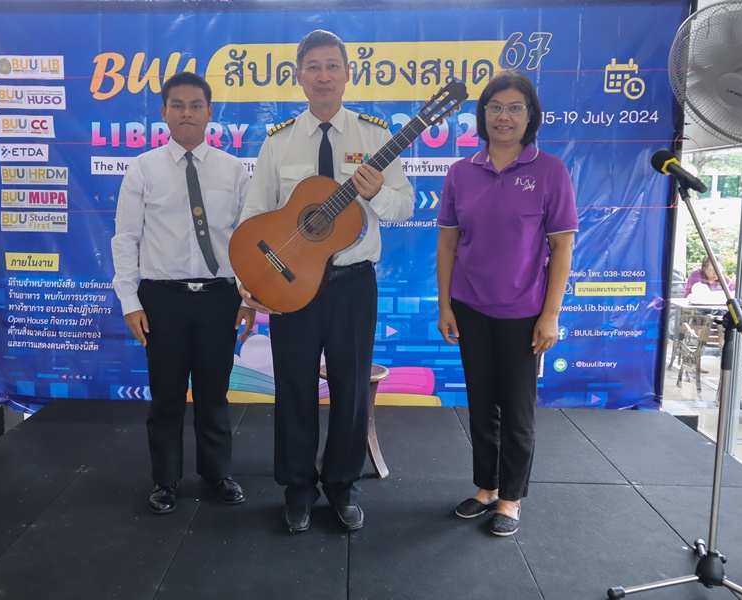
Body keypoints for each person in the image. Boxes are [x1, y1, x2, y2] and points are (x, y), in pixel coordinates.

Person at [238, 29, 414, 533]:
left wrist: (377, 194)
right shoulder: (279, 142)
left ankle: (343, 487)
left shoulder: (375, 137)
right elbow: (254, 215)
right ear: (299, 76)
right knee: (294, 386)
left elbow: (403, 207)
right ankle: (297, 490)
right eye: (313, 67)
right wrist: (249, 280)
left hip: (352, 283)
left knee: (351, 388)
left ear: (347, 74)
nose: (323, 76)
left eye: (332, 65)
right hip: (291, 283)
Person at [436, 70, 578, 536]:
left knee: (517, 411)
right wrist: (445, 305)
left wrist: (551, 315)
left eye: (515, 107)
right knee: (481, 406)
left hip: (524, 313)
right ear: (482, 115)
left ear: (530, 115)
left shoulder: (550, 171)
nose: (504, 116)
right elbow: (448, 245)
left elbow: (562, 247)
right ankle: (487, 487)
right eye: (495, 107)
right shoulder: (461, 172)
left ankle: (511, 498)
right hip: (470, 307)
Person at [111, 71, 255, 515]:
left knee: (214, 393)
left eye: (195, 105)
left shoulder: (234, 170)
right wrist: (130, 301)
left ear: (210, 112)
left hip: (220, 298)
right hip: (162, 299)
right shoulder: (143, 168)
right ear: (164, 113)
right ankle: (166, 480)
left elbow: (247, 240)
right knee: (167, 395)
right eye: (177, 105)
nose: (186, 113)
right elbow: (125, 238)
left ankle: (217, 474)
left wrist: (247, 298)